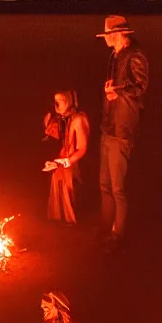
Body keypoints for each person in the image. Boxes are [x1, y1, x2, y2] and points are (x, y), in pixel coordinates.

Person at [96, 15, 149, 251]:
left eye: (108, 34)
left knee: (118, 188)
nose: (106, 38)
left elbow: (140, 87)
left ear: (119, 35)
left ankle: (118, 235)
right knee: (104, 184)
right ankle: (105, 228)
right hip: (109, 126)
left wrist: (118, 91)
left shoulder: (135, 57)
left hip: (122, 128)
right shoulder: (115, 56)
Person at [42, 90, 89, 225]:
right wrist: (48, 125)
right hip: (64, 158)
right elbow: (57, 137)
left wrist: (67, 161)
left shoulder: (78, 119)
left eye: (61, 102)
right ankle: (60, 217)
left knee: (68, 180)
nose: (57, 106)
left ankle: (73, 216)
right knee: (58, 177)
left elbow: (82, 148)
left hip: (75, 160)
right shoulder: (63, 119)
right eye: (56, 102)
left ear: (69, 102)